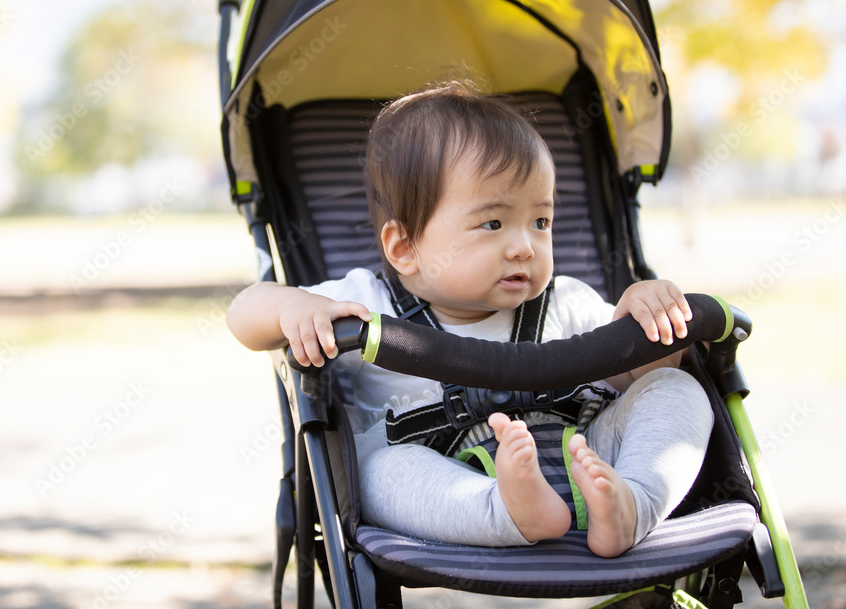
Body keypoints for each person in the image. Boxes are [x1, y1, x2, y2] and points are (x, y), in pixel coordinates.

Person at [226, 82, 713, 558]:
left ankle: (634, 501)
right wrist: (292, 308)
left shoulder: (566, 301)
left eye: (541, 222)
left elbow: (638, 376)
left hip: (587, 458)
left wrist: (648, 318)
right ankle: (509, 509)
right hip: (449, 485)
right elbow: (242, 313)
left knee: (676, 388)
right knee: (378, 471)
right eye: (493, 223)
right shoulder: (366, 304)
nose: (525, 246)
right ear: (405, 247)